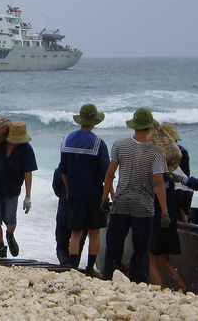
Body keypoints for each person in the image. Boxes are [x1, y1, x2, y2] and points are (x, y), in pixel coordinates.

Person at [101, 108, 170, 284]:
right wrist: (164, 211)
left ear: (135, 126)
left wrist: (104, 199)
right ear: (150, 127)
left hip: (121, 201)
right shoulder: (156, 152)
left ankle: (109, 277)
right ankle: (138, 281)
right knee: (141, 248)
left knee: (114, 244)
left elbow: (109, 175)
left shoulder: (120, 144)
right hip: (143, 205)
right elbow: (158, 181)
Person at [58, 103, 109, 277]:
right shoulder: (98, 143)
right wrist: (108, 195)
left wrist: (68, 189)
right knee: (94, 232)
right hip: (94, 194)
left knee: (75, 233)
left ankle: (72, 266)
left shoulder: (67, 141)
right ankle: (90, 268)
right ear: (94, 122)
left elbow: (63, 171)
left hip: (75, 194)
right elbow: (106, 174)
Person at [0, 121, 36, 258]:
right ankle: (0, 248)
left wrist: (28, 196)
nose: (16, 142)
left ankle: (10, 235)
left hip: (13, 188)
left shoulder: (26, 149)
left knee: (11, 220)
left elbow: (28, 172)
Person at [149, 172, 187, 291]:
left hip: (156, 221)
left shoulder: (154, 177)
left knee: (151, 261)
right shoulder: (170, 178)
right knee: (164, 260)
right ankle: (184, 287)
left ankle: (161, 290)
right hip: (170, 221)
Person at [52, 167, 86, 265]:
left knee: (62, 243)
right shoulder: (84, 169)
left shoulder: (60, 169)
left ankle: (65, 263)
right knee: (79, 240)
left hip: (64, 207)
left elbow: (56, 190)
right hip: (82, 208)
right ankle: (74, 264)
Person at [161, 123, 193, 222]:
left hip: (174, 189)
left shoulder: (161, 152)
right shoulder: (183, 151)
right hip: (187, 188)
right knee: (183, 214)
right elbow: (186, 173)